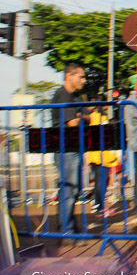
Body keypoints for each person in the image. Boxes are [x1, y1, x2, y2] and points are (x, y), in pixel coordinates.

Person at [51, 63, 87, 234]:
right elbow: (73, 123)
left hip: (73, 148)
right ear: (69, 76)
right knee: (69, 190)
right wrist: (80, 116)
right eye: (81, 76)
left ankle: (69, 227)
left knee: (73, 190)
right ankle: (66, 230)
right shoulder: (63, 95)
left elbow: (86, 118)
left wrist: (81, 116)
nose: (84, 80)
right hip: (65, 149)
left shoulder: (75, 97)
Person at [86, 106, 121, 218]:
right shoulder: (101, 117)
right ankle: (99, 207)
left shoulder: (90, 117)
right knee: (102, 182)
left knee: (99, 182)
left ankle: (98, 206)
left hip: (94, 155)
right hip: (102, 156)